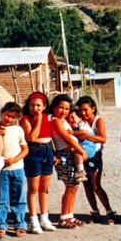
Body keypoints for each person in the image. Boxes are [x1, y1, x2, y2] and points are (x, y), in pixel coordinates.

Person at [0, 102, 29, 238]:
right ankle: (1, 225)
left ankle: (20, 224)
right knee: (1, 198)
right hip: (1, 171)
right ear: (2, 113)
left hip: (17, 169)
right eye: (7, 115)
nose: (9, 119)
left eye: (13, 117)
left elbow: (25, 149)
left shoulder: (18, 130)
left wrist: (15, 159)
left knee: (18, 198)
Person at [48, 94, 88, 229]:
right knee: (70, 186)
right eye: (61, 108)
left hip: (71, 155)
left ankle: (70, 215)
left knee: (74, 186)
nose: (63, 111)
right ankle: (63, 217)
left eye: (66, 109)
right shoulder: (55, 121)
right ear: (54, 107)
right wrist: (82, 151)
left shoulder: (64, 121)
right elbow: (67, 138)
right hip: (64, 155)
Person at [75, 96, 116, 225]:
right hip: (81, 155)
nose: (83, 113)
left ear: (93, 108)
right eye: (81, 110)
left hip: (95, 156)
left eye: (86, 110)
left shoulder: (98, 121)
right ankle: (95, 211)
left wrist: (86, 135)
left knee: (96, 185)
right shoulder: (79, 122)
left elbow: (103, 139)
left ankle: (109, 211)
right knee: (86, 185)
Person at [21, 92, 56, 234]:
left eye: (38, 105)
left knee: (44, 188)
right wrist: (40, 119)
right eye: (32, 105)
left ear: (44, 106)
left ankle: (44, 218)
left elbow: (50, 136)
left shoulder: (48, 118)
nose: (35, 108)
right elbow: (32, 137)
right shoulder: (26, 119)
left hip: (47, 150)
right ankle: (33, 219)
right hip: (34, 151)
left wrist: (54, 153)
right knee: (33, 188)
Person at [65, 110, 91, 183]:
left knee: (77, 153)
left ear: (80, 118)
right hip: (81, 146)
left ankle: (80, 171)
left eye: (73, 117)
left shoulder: (83, 124)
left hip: (87, 146)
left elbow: (84, 131)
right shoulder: (73, 126)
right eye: (69, 118)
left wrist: (73, 133)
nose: (70, 119)